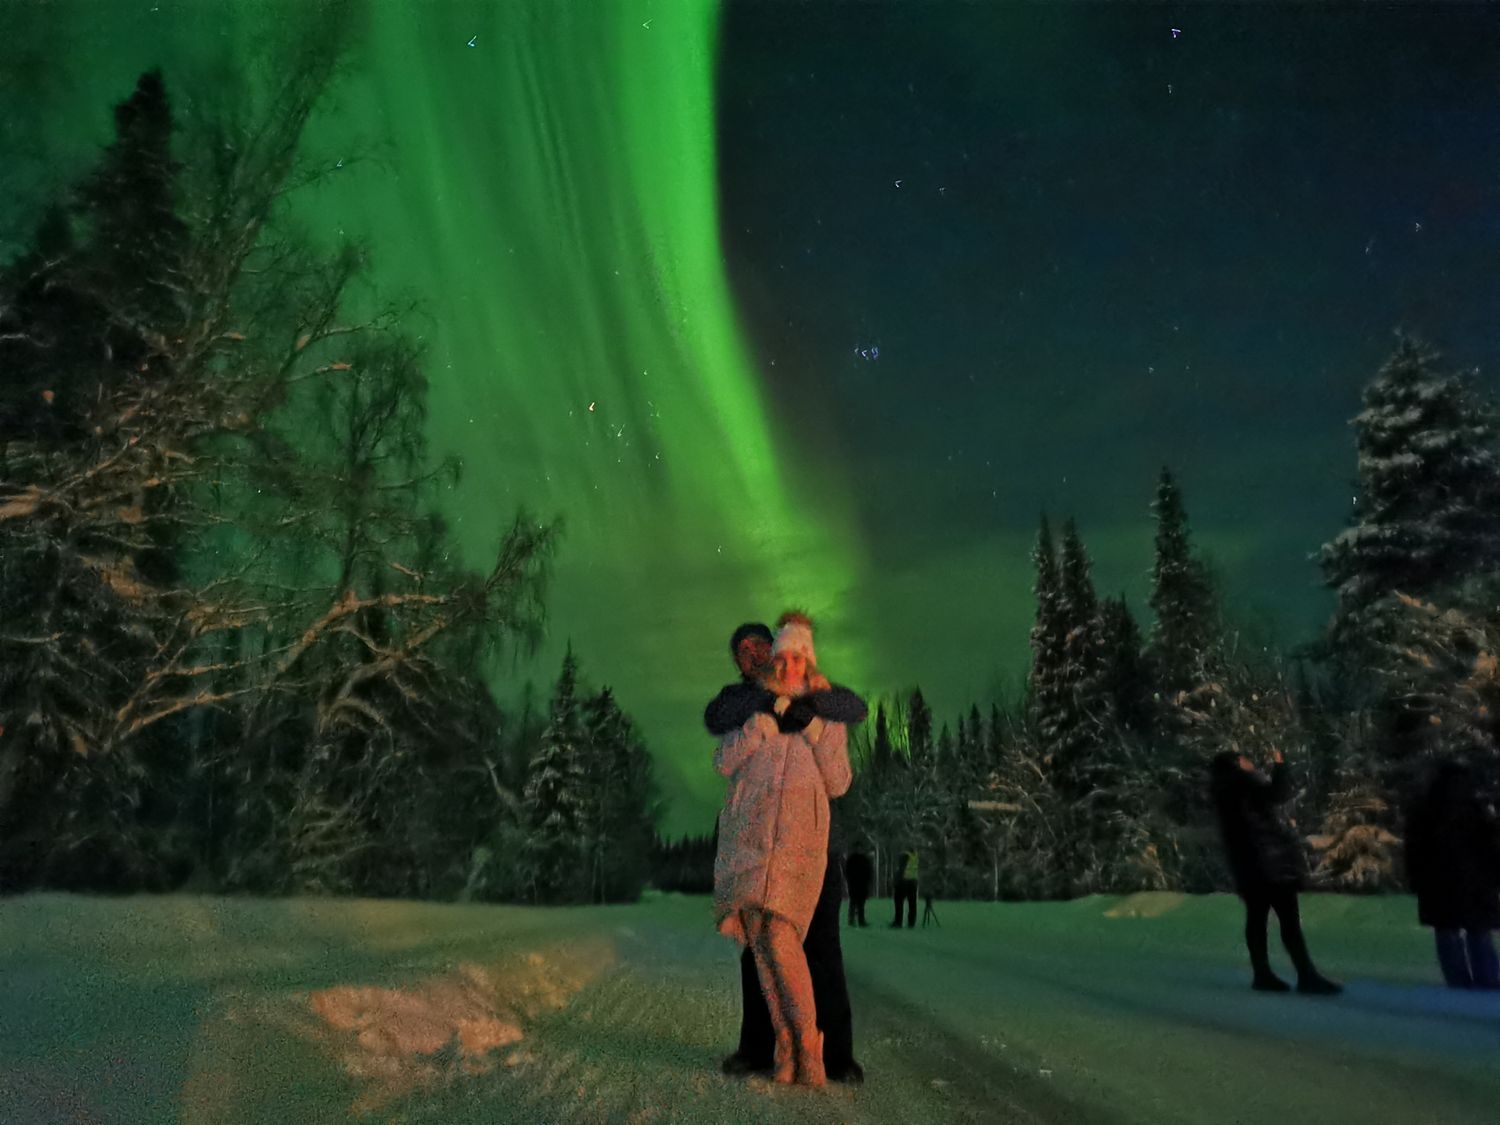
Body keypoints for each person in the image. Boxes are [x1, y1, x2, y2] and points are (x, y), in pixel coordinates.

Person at [711, 612, 859, 1086]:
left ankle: (832, 1055)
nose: (755, 656)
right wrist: (762, 723)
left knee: (820, 949)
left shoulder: (823, 704)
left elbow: (839, 776)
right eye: (745, 651)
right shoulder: (745, 701)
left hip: (812, 851)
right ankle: (762, 1048)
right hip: (757, 849)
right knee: (760, 949)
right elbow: (721, 742)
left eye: (760, 646)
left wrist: (814, 725)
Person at [1210, 748, 1341, 994]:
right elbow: (1278, 794)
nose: (1250, 762)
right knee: (1288, 920)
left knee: (1257, 919)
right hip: (1269, 863)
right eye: (1245, 759)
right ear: (1237, 764)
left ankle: (1263, 974)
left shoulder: (1223, 791)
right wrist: (1280, 766)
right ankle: (1306, 975)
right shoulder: (1244, 783)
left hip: (1247, 866)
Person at [1404, 758, 1500, 988]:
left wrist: (1416, 879)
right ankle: (1488, 979)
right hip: (1476, 882)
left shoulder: (1425, 807)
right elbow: (1491, 845)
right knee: (1478, 932)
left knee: (1447, 932)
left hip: (1437, 883)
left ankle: (1458, 981)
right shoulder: (1475, 806)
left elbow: (1414, 849)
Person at [891, 848, 918, 929]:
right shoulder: (915, 857)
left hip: (903, 882)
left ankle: (898, 922)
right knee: (912, 904)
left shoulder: (905, 856)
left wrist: (895, 881)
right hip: (913, 882)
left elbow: (901, 869)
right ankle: (911, 922)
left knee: (899, 902)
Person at [844, 850, 872, 927]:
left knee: (854, 903)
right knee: (860, 904)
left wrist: (849, 880)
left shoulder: (851, 859)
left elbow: (846, 872)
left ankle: (852, 920)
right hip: (861, 885)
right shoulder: (864, 859)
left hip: (854, 884)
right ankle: (860, 921)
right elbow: (869, 872)